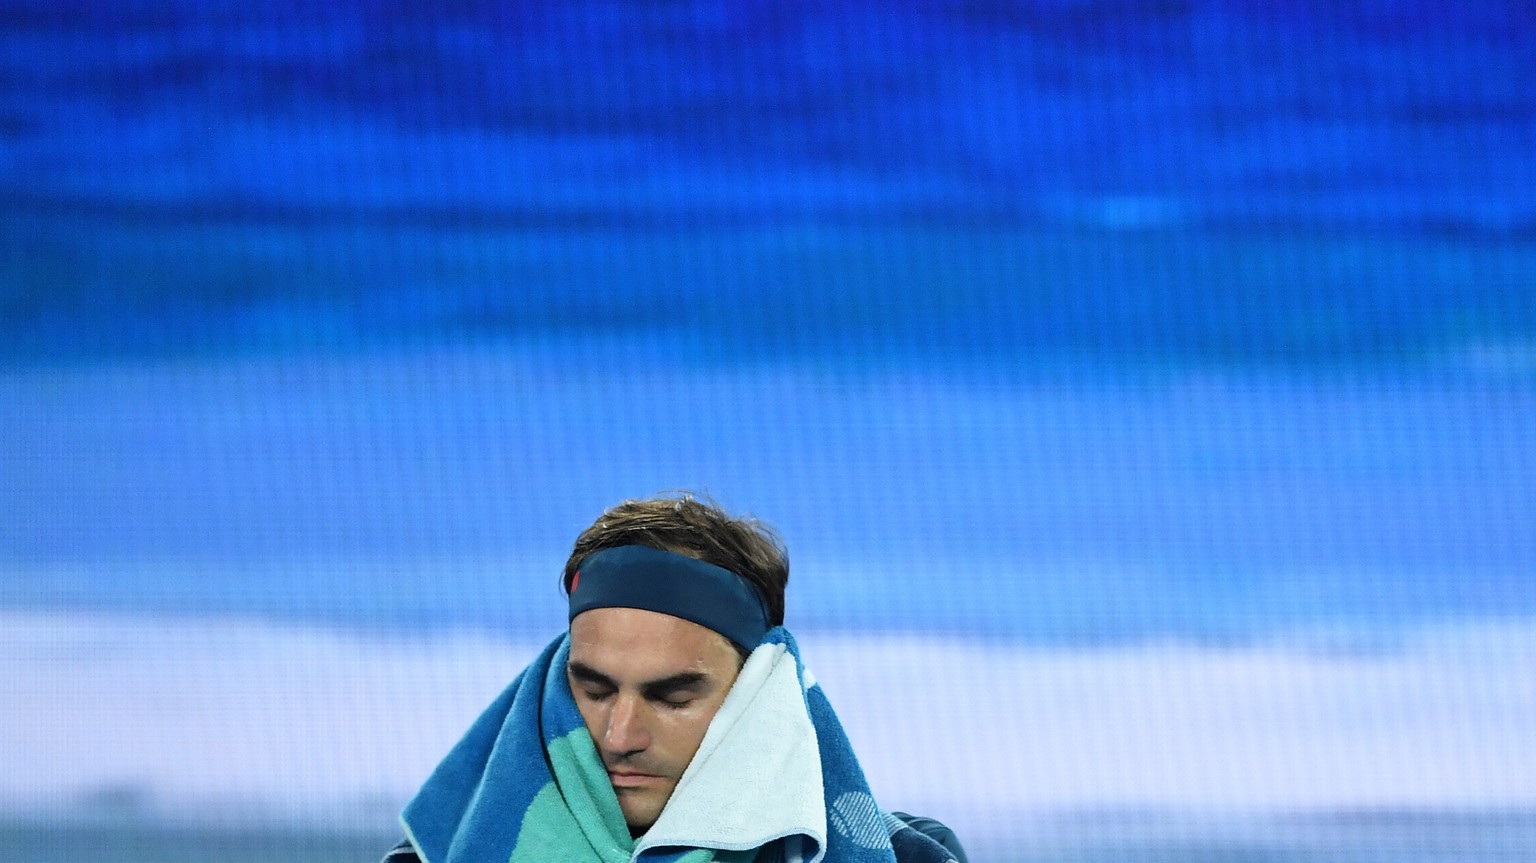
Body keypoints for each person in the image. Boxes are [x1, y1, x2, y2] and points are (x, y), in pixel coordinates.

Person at [383, 494, 967, 863]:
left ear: (757, 693)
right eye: (593, 690)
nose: (619, 737)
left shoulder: (909, 856)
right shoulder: (440, 854)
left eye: (673, 697)